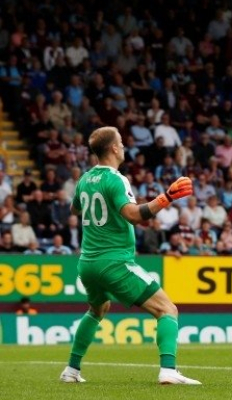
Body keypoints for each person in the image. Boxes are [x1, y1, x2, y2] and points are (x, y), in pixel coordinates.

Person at [59, 126, 200, 385]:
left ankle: (71, 370)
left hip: (87, 263)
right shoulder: (116, 179)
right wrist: (166, 197)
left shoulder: (85, 179)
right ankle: (168, 370)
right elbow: (133, 216)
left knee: (97, 309)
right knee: (167, 309)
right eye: (121, 143)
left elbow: (74, 207)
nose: (123, 146)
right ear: (113, 148)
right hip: (114, 261)